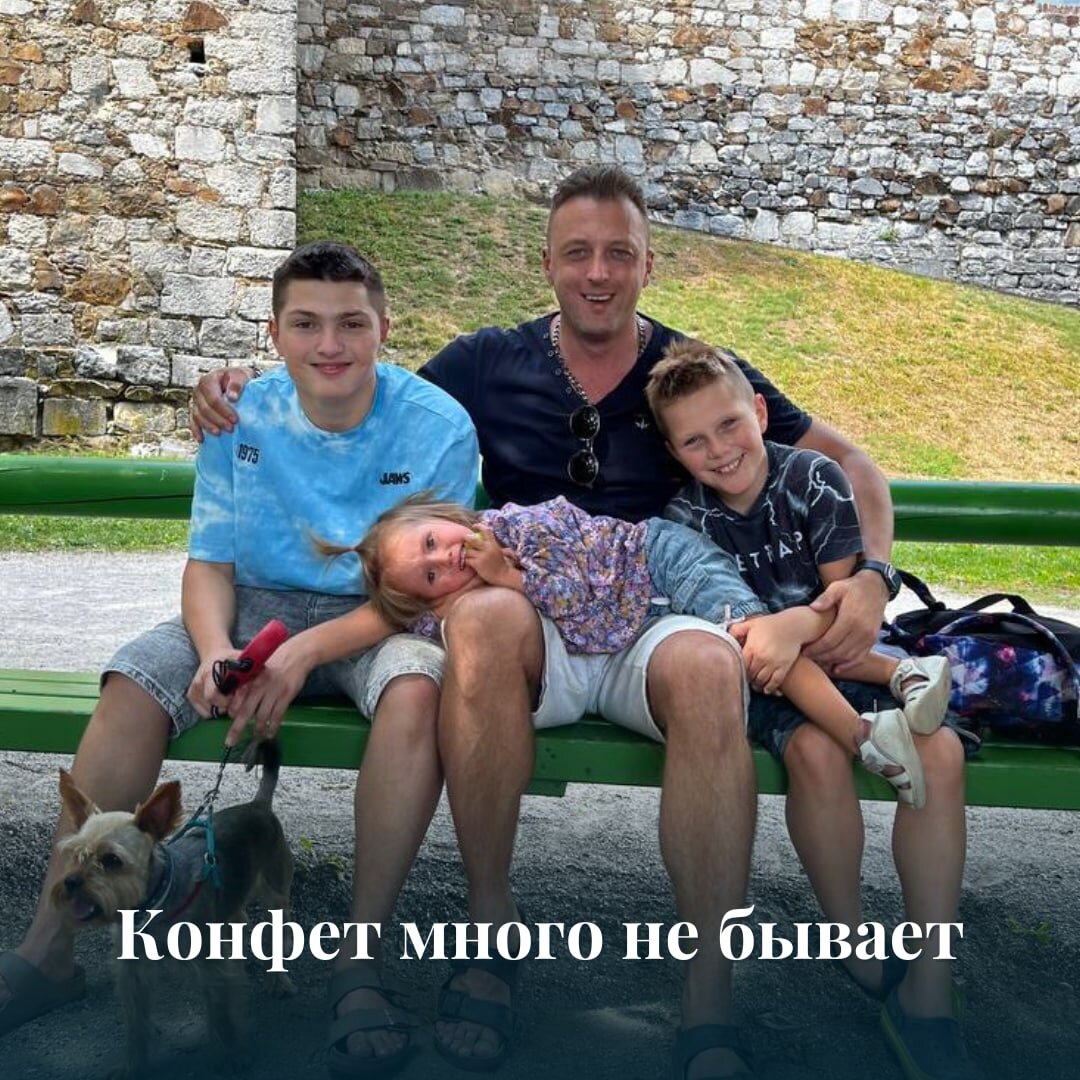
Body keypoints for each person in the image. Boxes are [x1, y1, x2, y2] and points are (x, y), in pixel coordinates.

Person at [185, 164, 974, 1080]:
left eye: (618, 253)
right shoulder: (489, 361)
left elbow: (852, 465)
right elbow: (358, 388)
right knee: (481, 617)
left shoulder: (690, 369)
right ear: (547, 263)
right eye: (577, 253)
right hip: (528, 607)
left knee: (710, 666)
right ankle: (491, 935)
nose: (598, 272)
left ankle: (707, 1001)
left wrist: (872, 577)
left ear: (649, 264)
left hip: (655, 605)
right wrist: (240, 388)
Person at [0, 241, 479, 1080]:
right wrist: (219, 647)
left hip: (379, 614)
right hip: (249, 605)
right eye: (305, 324)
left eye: (351, 324)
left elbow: (429, 585)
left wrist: (303, 652)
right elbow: (210, 562)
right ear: (274, 331)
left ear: (384, 328)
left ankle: (357, 964)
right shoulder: (238, 413)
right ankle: (49, 950)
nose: (328, 344)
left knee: (417, 688)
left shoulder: (438, 426)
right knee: (133, 679)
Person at [347, 491, 947, 809]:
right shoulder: (453, 608)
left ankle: (871, 718)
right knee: (758, 649)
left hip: (660, 562)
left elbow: (575, 597)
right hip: (636, 616)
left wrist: (509, 578)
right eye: (429, 575)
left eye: (433, 539)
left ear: (450, 516)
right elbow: (395, 624)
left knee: (756, 639)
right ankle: (893, 695)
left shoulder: (522, 528)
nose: (444, 557)